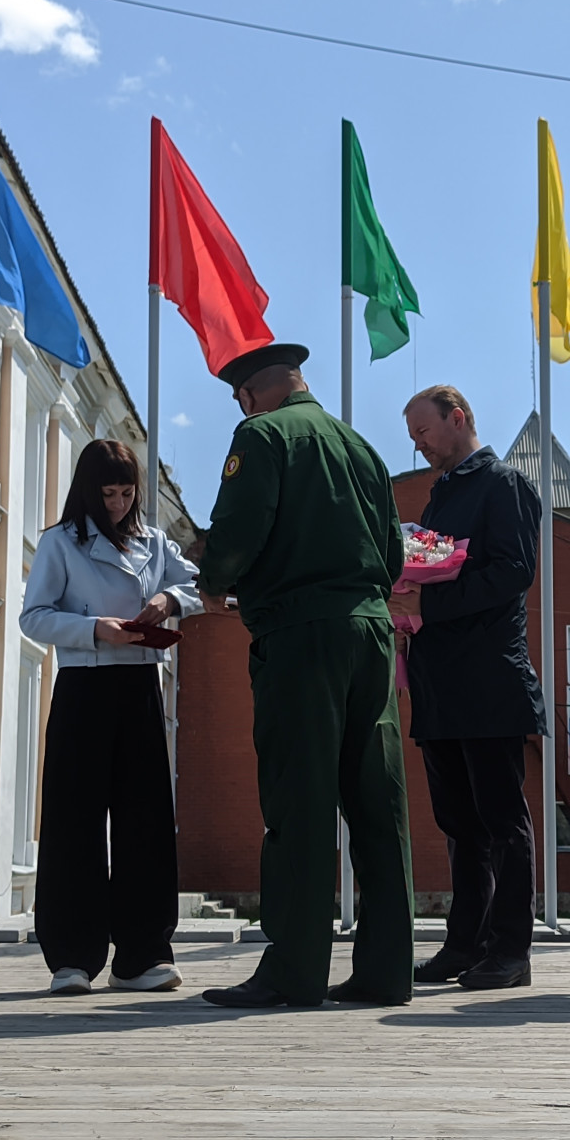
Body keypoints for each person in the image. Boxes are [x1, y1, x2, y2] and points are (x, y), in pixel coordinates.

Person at [194, 344, 415, 1008]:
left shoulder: (260, 435)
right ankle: (385, 970)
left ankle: (293, 969)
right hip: (370, 631)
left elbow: (238, 527)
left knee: (301, 801)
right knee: (378, 804)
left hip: (299, 633)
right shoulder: (359, 446)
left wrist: (213, 582)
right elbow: (395, 549)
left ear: (250, 395)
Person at [20, 440, 203, 996]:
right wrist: (95, 628)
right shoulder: (60, 542)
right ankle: (71, 957)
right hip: (84, 684)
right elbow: (34, 617)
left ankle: (142, 955)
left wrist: (168, 601)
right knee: (74, 821)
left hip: (140, 684)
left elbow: (195, 584)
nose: (120, 503)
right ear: (88, 491)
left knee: (146, 819)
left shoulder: (156, 542)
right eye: (109, 493)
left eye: (127, 492)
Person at [394, 385, 545, 991]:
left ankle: (511, 949)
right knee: (459, 823)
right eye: (412, 436)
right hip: (440, 683)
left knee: (500, 820)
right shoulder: (439, 497)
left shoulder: (503, 483)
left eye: (424, 431)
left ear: (458, 419)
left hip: (488, 680)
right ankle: (465, 945)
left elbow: (514, 572)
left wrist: (429, 601)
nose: (418, 443)